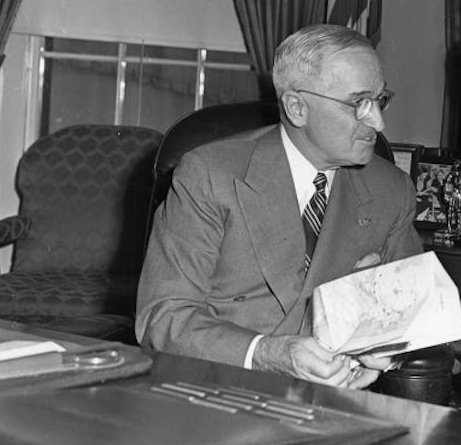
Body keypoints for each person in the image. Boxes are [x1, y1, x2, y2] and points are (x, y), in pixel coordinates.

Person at [136, 24, 422, 390]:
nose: (378, 122)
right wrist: (265, 354)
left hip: (330, 403)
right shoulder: (210, 175)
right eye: (358, 104)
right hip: (216, 391)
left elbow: (410, 312)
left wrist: (383, 353)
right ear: (296, 107)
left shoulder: (391, 189)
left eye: (380, 101)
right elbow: (163, 316)